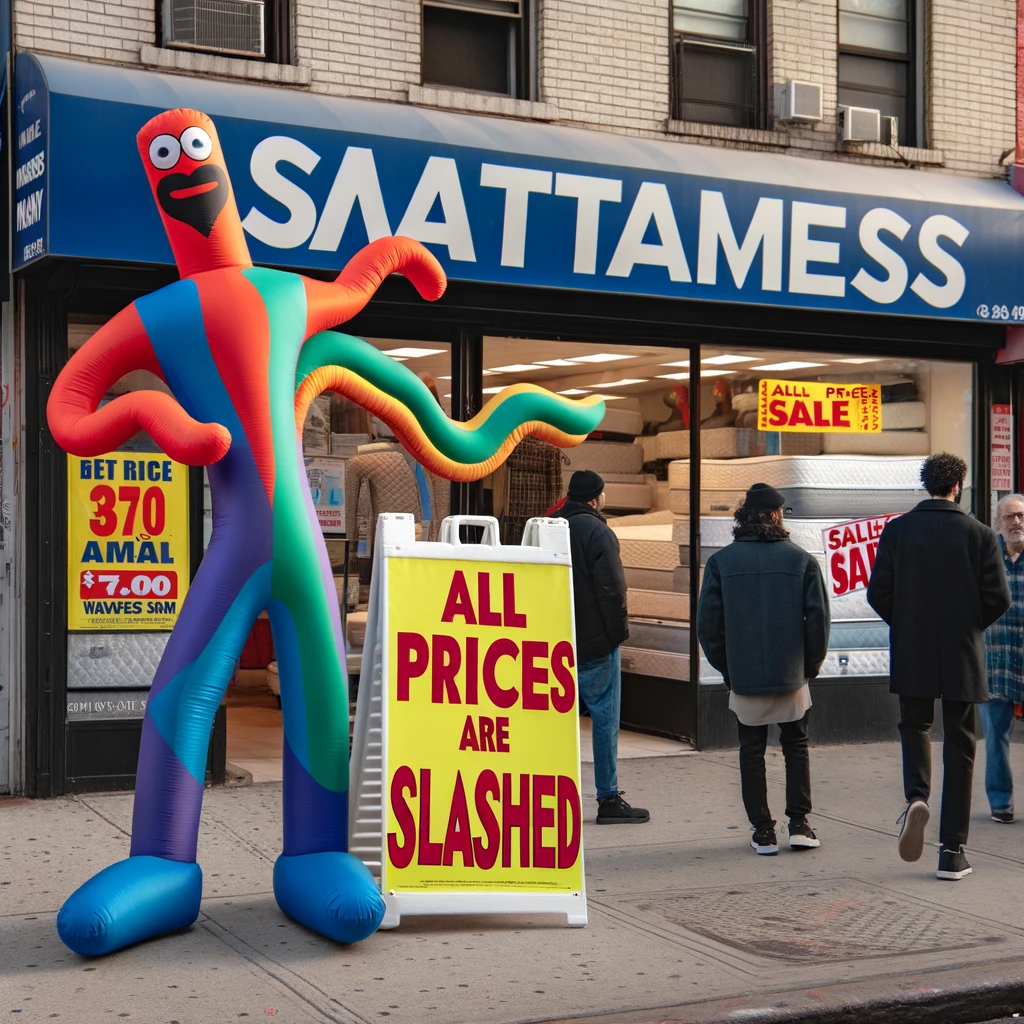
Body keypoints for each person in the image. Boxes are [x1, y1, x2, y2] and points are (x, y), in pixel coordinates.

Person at [867, 452, 1011, 881]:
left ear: (926, 485)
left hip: (912, 651)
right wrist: (968, 627)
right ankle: (952, 851)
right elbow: (998, 598)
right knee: (961, 745)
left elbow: (879, 593)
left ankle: (916, 798)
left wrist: (908, 623)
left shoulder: (898, 531)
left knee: (914, 727)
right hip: (963, 653)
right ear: (957, 487)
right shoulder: (981, 535)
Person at [697, 483, 830, 855]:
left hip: (745, 676)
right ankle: (800, 824)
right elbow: (818, 622)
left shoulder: (721, 563)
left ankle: (763, 830)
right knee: (796, 746)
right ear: (776, 515)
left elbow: (708, 626)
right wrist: (810, 667)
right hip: (792, 674)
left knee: (751, 751)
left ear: (743, 518)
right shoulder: (801, 561)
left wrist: (729, 669)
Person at [556, 469, 650, 825]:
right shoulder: (599, 532)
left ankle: (549, 798)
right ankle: (608, 797)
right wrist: (617, 636)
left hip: (554, 642)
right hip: (595, 644)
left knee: (553, 723)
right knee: (604, 719)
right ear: (597, 499)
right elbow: (612, 590)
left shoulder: (546, 527)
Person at [981, 493, 1024, 823]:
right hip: (994, 664)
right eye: (1009, 517)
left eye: (1021, 516)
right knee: (995, 738)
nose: (1017, 522)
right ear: (998, 523)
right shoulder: (984, 557)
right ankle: (1001, 803)